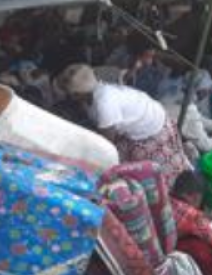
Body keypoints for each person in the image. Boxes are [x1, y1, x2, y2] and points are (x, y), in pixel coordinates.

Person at [58, 64, 190, 186]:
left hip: (152, 129)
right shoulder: (96, 93)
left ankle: (176, 187)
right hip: (141, 121)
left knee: (156, 173)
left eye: (70, 95)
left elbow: (107, 144)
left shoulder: (104, 103)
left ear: (76, 95)